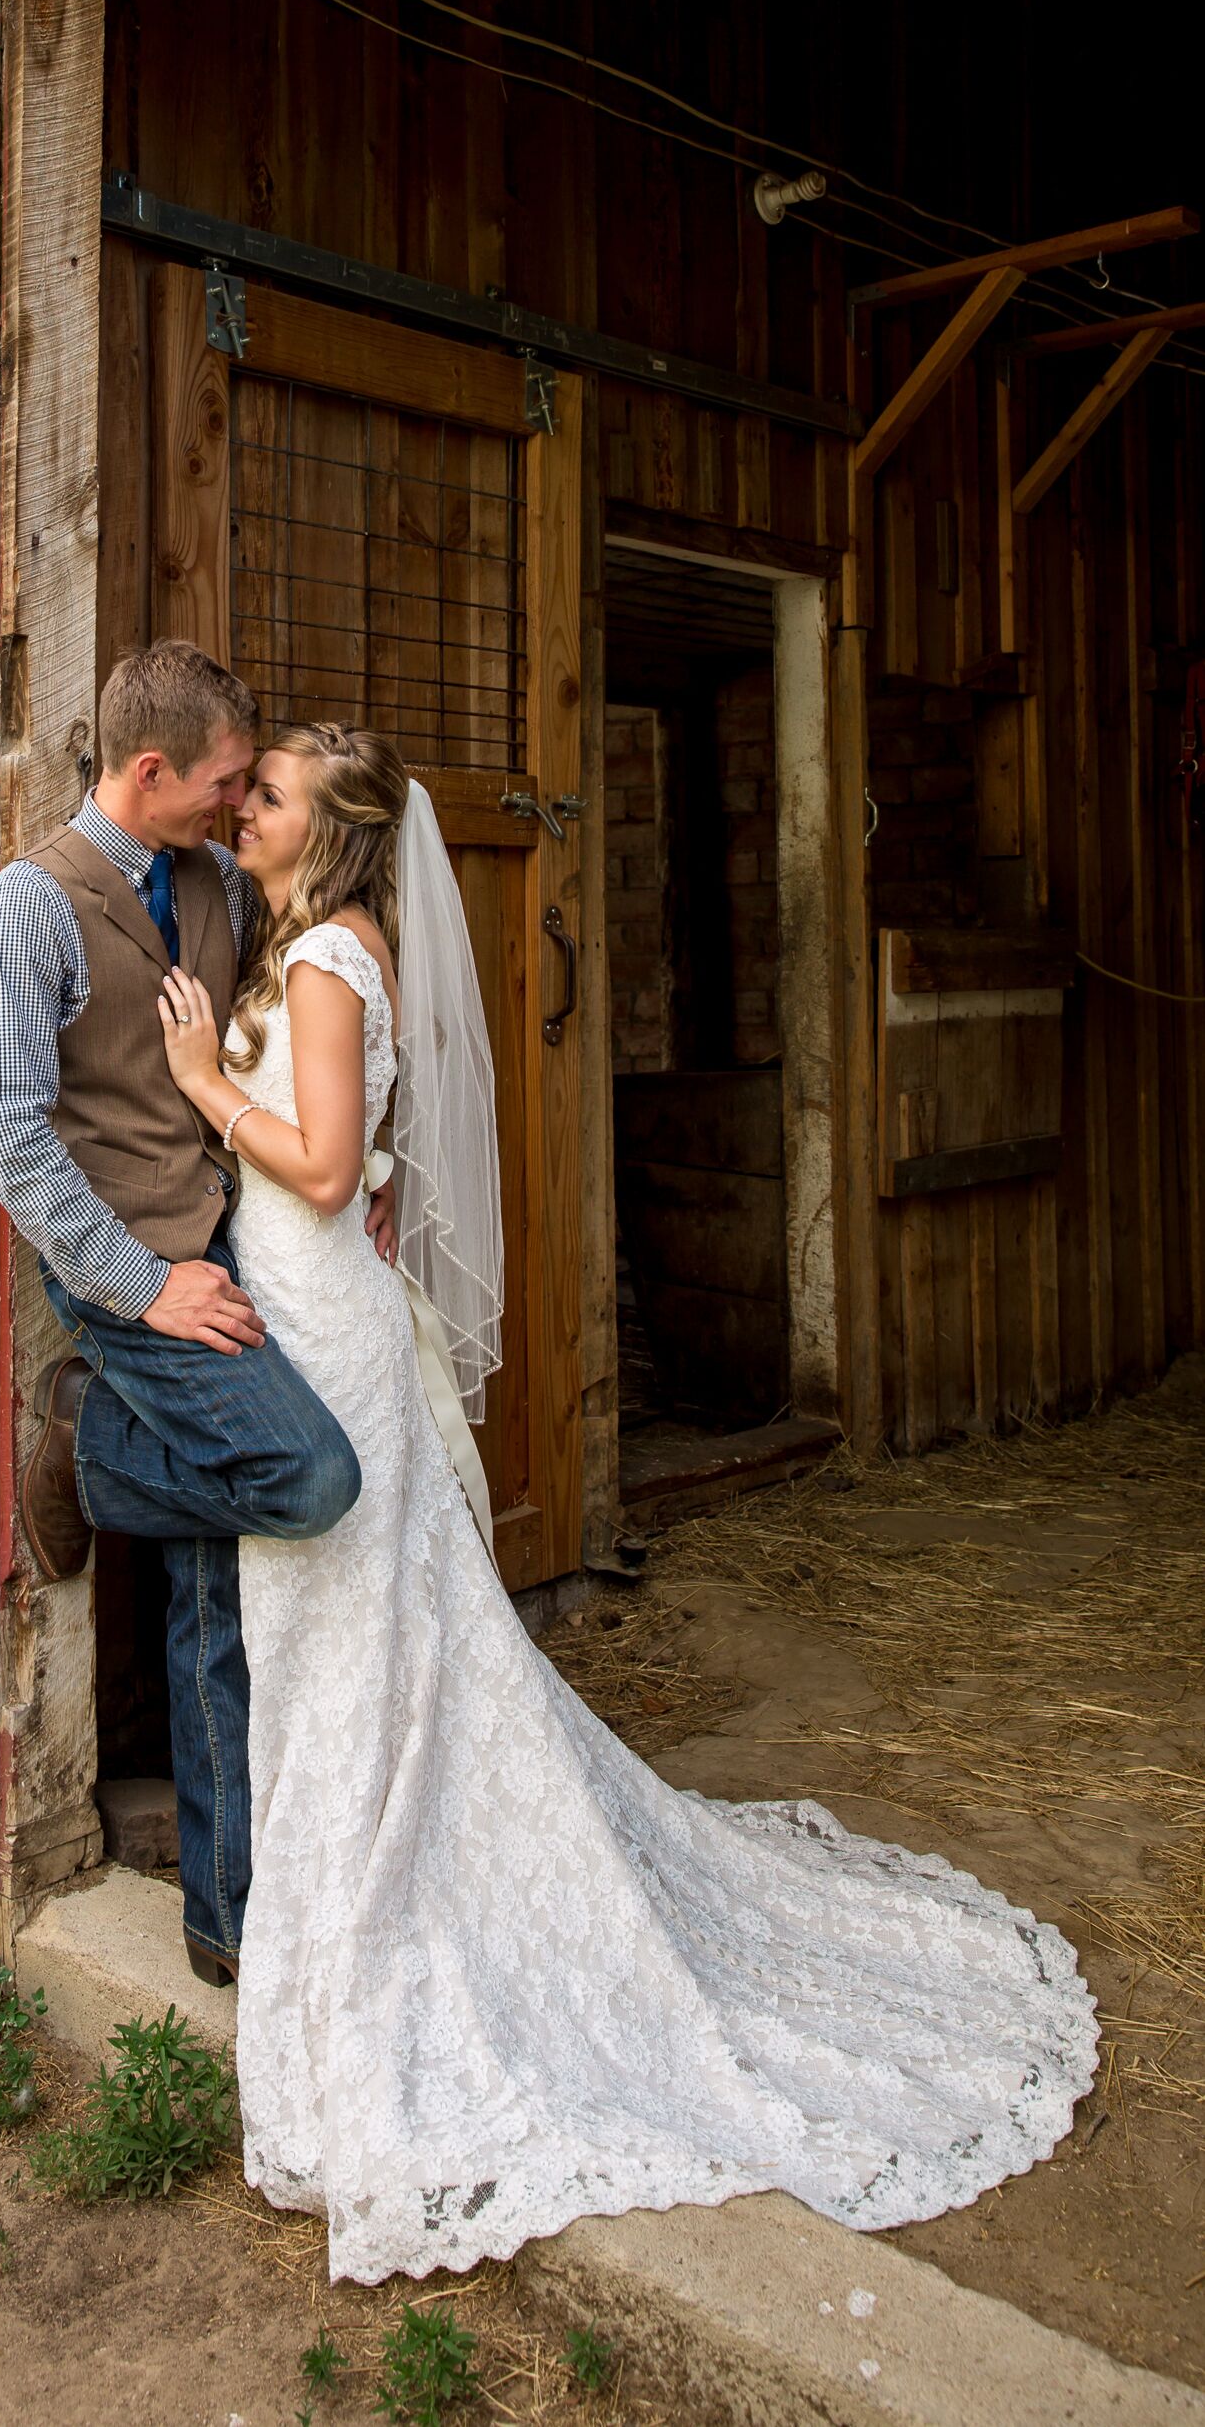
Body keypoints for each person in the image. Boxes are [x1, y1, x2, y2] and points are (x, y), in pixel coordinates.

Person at [153, 718, 1101, 2288]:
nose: (243, 805)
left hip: (317, 1325)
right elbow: (369, 1170)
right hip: (323, 1316)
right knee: (359, 1643)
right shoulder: (332, 942)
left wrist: (200, 1082)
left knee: (355, 1647)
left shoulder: (325, 965)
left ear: (330, 833)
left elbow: (323, 1172)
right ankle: (355, 1901)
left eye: (269, 795)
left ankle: (377, 1925)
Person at [0, 642, 393, 1991]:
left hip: (240, 1251)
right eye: (217, 781)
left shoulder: (213, 882)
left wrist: (363, 1178)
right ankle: (90, 1431)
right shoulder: (26, 913)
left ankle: (225, 1915)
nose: (229, 800)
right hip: (135, 1273)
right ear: (150, 771)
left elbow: (308, 1035)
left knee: (214, 1584)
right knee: (307, 1476)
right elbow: (11, 1145)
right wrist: (146, 1289)